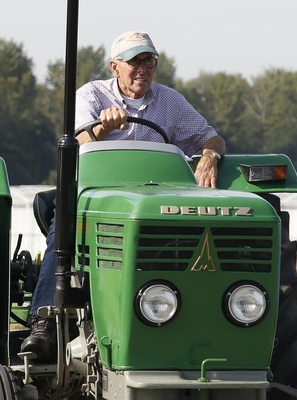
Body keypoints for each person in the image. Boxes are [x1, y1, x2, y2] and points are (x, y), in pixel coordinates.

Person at [21, 31, 227, 361]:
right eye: (134, 61)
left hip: (153, 198)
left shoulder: (170, 102)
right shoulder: (92, 95)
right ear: (115, 66)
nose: (142, 69)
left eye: (149, 61)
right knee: (63, 225)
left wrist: (209, 156)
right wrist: (103, 127)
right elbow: (80, 142)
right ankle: (44, 322)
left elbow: (211, 137)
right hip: (98, 192)